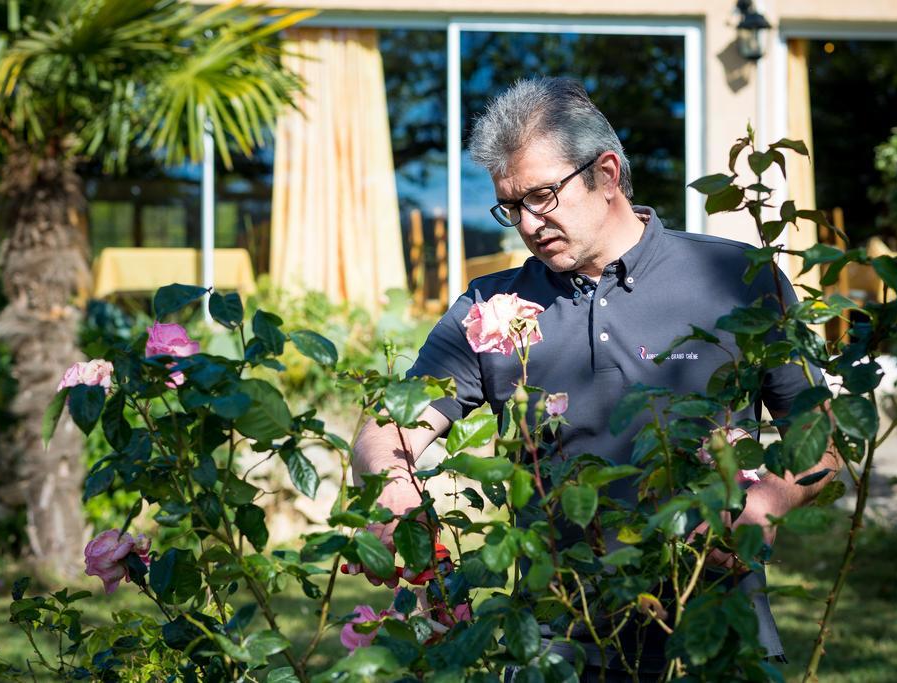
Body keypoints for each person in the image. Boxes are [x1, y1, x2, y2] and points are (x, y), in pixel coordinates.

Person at [352, 76, 838, 678]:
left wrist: (760, 508)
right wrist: (393, 483)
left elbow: (819, 438)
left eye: (541, 196)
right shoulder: (492, 307)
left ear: (606, 174)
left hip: (713, 623)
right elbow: (386, 431)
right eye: (510, 207)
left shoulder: (732, 277)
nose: (527, 225)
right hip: (555, 639)